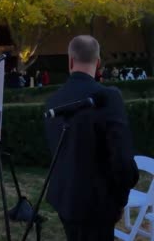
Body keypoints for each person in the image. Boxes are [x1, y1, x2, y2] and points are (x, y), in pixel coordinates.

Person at [44, 35, 139, 241]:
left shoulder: (53, 101)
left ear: (70, 61)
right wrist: (120, 201)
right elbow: (122, 160)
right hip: (97, 205)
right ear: (98, 63)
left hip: (65, 200)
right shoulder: (108, 97)